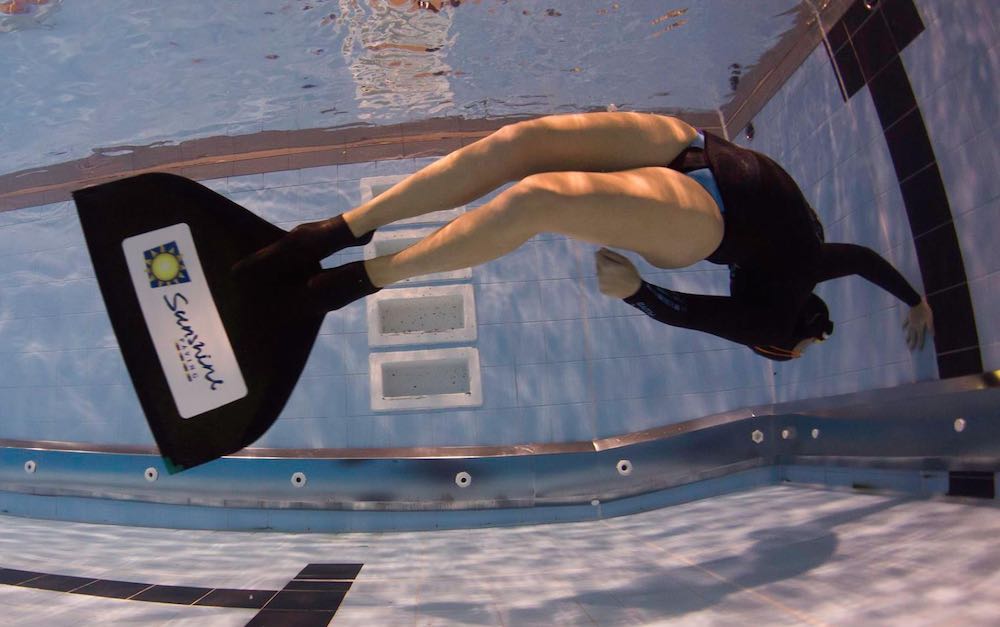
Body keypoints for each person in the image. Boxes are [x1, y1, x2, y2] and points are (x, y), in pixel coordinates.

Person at [233, 112, 934, 360]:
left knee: (536, 197)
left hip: (706, 215)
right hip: (691, 145)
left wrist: (640, 294)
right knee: (518, 145)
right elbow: (866, 261)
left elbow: (710, 316)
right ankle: (328, 235)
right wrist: (917, 300)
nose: (805, 343)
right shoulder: (812, 271)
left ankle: (350, 279)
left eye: (799, 347)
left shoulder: (783, 307)